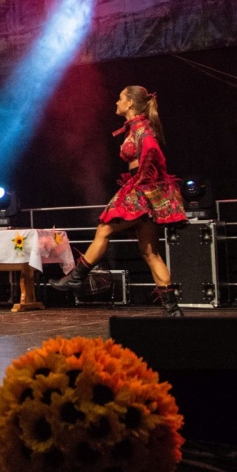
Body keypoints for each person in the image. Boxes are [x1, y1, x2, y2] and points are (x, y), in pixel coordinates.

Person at [50, 86, 185, 317]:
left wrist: (141, 178)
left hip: (142, 191)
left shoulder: (142, 128)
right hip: (143, 190)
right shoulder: (136, 127)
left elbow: (152, 150)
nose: (116, 102)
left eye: (120, 98)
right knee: (150, 253)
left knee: (104, 230)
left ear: (130, 103)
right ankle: (172, 309)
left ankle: (76, 278)